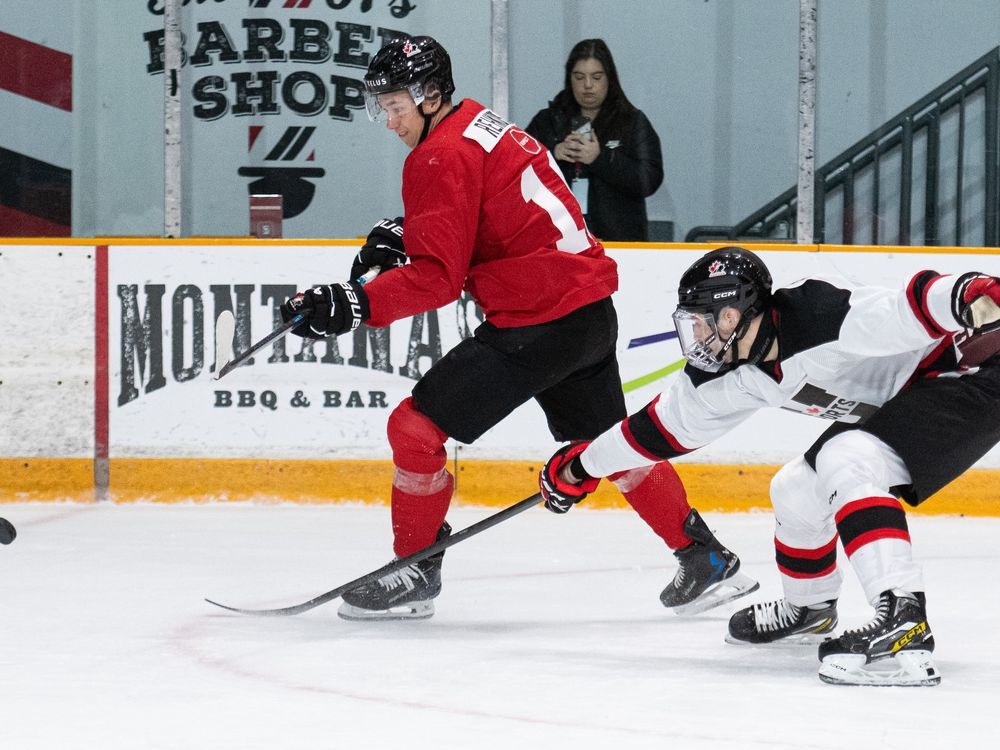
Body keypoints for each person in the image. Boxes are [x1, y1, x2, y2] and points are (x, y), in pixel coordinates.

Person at [279, 35, 756, 621]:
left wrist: (354, 303)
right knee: (610, 446)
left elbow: (436, 279)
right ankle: (703, 555)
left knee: (413, 430)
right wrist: (411, 229)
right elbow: (498, 213)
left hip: (537, 324)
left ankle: (414, 569)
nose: (388, 120)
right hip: (586, 314)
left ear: (429, 97)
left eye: (395, 105)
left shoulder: (437, 155)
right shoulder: (482, 123)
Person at [539, 246, 1000, 686]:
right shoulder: (727, 373)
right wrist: (583, 467)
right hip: (913, 394)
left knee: (850, 457)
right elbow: (657, 431)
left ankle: (903, 620)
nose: (695, 338)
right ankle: (810, 609)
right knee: (797, 489)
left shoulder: (819, 314)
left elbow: (910, 305)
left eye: (702, 324)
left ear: (732, 314)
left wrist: (969, 290)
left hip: (973, 373)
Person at [525, 38, 663, 242]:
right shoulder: (547, 121)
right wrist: (553, 155)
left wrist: (600, 158)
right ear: (569, 79)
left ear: (610, 79)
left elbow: (649, 179)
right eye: (579, 77)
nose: (587, 86)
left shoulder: (632, 121)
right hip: (557, 241)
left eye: (596, 77)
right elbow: (519, 173)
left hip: (620, 242)